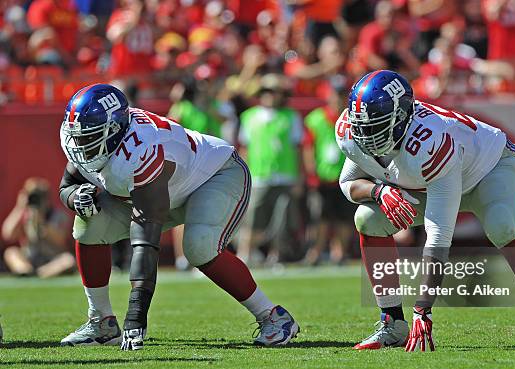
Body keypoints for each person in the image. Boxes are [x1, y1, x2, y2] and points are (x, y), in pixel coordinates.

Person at [336, 70, 515, 351]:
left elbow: (438, 238)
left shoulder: (430, 143)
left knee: (502, 227)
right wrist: (378, 191)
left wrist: (423, 309)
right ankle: (392, 323)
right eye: (362, 126)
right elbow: (349, 182)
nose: (367, 136)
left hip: (489, 167)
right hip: (431, 181)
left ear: (401, 118)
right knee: (367, 219)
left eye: (377, 126)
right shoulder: (352, 132)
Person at [57, 84, 299, 349]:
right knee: (89, 224)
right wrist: (74, 197)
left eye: (89, 136)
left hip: (213, 176)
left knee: (199, 246)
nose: (79, 143)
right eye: (78, 135)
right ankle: (101, 322)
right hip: (165, 190)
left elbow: (145, 242)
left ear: (114, 130)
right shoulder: (87, 142)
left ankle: (273, 317)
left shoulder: (141, 149)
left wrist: (136, 315)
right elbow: (67, 184)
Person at [236, 74, 304, 265]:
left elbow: (297, 148)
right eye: (267, 91)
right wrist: (243, 176)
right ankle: (245, 253)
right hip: (258, 175)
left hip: (285, 175)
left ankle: (276, 256)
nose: (271, 95)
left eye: (275, 92)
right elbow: (244, 149)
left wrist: (299, 177)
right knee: (252, 218)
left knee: (281, 220)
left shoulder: (291, 116)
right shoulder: (248, 117)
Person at [302, 75, 354, 265]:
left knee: (343, 218)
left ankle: (339, 252)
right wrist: (311, 173)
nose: (337, 98)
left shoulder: (353, 118)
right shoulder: (315, 119)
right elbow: (308, 146)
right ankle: (315, 251)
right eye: (335, 94)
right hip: (323, 177)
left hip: (346, 176)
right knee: (320, 218)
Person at [2, 178, 75, 278]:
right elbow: (8, 234)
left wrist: (41, 221)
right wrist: (19, 208)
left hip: (52, 259)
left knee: (68, 260)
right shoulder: (23, 214)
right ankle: (25, 270)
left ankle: (40, 273)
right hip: (29, 258)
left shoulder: (59, 215)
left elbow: (60, 240)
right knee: (11, 253)